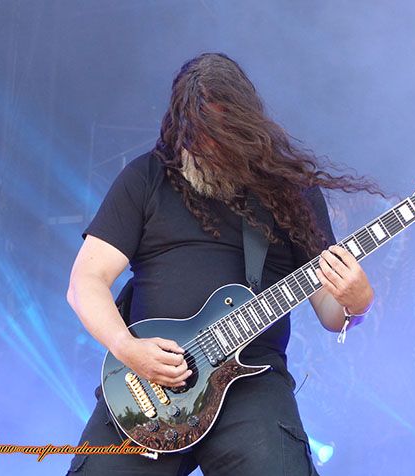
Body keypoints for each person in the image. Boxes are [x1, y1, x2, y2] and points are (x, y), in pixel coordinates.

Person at [66, 53, 381, 476]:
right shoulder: (146, 177)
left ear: (246, 127)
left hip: (253, 383)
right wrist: (127, 348)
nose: (208, 147)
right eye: (197, 135)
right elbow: (85, 281)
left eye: (220, 134)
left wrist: (357, 303)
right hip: (147, 383)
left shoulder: (291, 192)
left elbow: (330, 310)